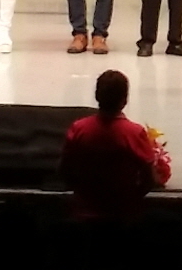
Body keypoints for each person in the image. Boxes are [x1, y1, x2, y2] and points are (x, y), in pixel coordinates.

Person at [59, 70, 171, 221]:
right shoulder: (134, 133)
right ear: (125, 99)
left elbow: (65, 170)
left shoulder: (78, 129)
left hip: (83, 213)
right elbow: (149, 179)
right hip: (123, 215)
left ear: (97, 96)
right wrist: (129, 199)